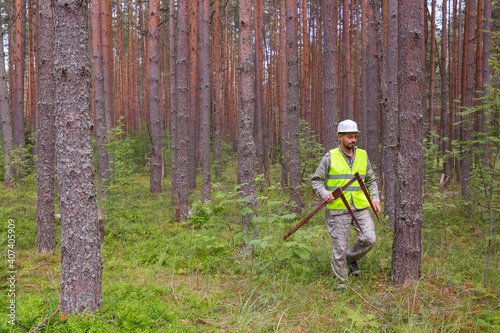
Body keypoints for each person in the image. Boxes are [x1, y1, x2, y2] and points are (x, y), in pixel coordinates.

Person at [311, 119, 382, 289]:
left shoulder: (363, 155)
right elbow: (316, 180)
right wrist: (325, 194)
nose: (353, 140)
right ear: (340, 137)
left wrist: (375, 199)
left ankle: (350, 259)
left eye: (355, 137)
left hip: (359, 207)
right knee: (339, 249)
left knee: (369, 238)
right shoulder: (330, 156)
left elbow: (371, 180)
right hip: (338, 210)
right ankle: (341, 284)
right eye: (349, 137)